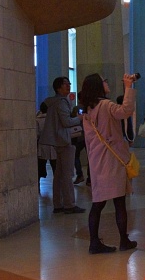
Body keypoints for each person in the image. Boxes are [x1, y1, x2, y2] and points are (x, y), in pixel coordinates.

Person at [80, 72, 138, 254]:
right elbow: (126, 111)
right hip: (112, 160)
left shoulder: (87, 111)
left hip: (97, 160)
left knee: (98, 202)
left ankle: (94, 242)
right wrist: (128, 88)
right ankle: (123, 240)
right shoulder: (106, 105)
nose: (107, 82)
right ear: (98, 86)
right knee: (119, 201)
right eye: (104, 81)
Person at [38, 77, 86, 215]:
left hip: (56, 140)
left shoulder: (52, 102)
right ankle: (69, 204)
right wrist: (79, 118)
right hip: (64, 141)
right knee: (67, 174)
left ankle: (58, 204)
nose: (68, 86)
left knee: (58, 174)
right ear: (58, 87)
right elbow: (66, 122)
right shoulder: (62, 102)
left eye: (69, 84)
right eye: (66, 84)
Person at [36, 100, 56, 182]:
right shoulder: (53, 119)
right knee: (55, 168)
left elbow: (37, 134)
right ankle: (57, 185)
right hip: (53, 145)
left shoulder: (37, 120)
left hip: (42, 146)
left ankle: (38, 185)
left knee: (40, 168)